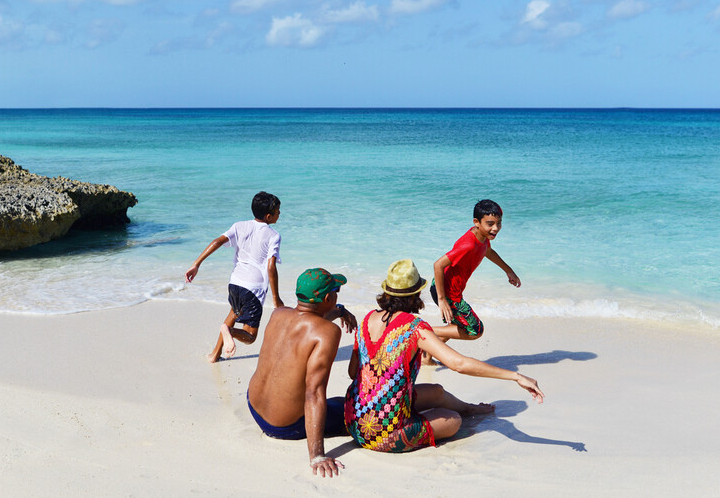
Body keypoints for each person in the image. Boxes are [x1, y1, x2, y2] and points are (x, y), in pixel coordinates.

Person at [344, 259, 543, 453]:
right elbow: (459, 364)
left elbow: (354, 373)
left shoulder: (367, 319)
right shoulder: (414, 328)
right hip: (384, 435)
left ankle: (470, 408)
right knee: (453, 419)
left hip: (353, 420)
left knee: (436, 391)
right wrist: (516, 376)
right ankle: (446, 414)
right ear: (416, 294)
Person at [246, 268, 357, 477]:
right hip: (284, 426)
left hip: (254, 405)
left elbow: (307, 322)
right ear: (327, 298)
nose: (337, 296)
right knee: (353, 409)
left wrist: (339, 311)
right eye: (336, 292)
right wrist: (317, 455)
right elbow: (314, 393)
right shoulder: (329, 333)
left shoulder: (279, 313)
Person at [185, 191, 283, 363]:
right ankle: (229, 332)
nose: (279, 214)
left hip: (235, 283)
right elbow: (270, 267)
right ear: (269, 216)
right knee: (251, 336)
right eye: (277, 211)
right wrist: (276, 298)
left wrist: (196, 264)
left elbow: (217, 242)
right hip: (253, 289)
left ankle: (215, 354)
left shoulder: (239, 226)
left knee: (234, 313)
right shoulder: (273, 235)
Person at [430, 198, 519, 344]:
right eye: (490, 224)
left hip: (453, 289)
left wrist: (508, 271)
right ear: (476, 222)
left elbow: (488, 252)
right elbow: (438, 265)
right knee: (475, 330)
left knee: (458, 324)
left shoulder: (483, 236)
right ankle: (422, 330)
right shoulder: (468, 244)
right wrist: (442, 300)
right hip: (447, 292)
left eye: (499, 223)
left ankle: (427, 356)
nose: (495, 228)